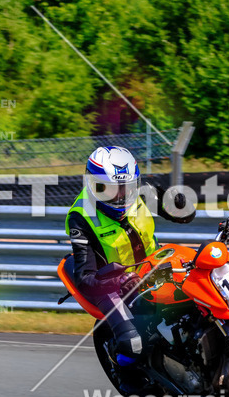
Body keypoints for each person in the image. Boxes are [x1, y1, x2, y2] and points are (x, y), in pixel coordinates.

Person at [65, 145, 192, 368]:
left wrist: (181, 204)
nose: (120, 196)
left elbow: (183, 215)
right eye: (110, 190)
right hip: (114, 285)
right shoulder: (81, 216)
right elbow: (84, 277)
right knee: (133, 344)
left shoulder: (142, 192)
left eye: (126, 188)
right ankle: (134, 386)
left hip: (156, 269)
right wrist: (119, 280)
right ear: (93, 185)